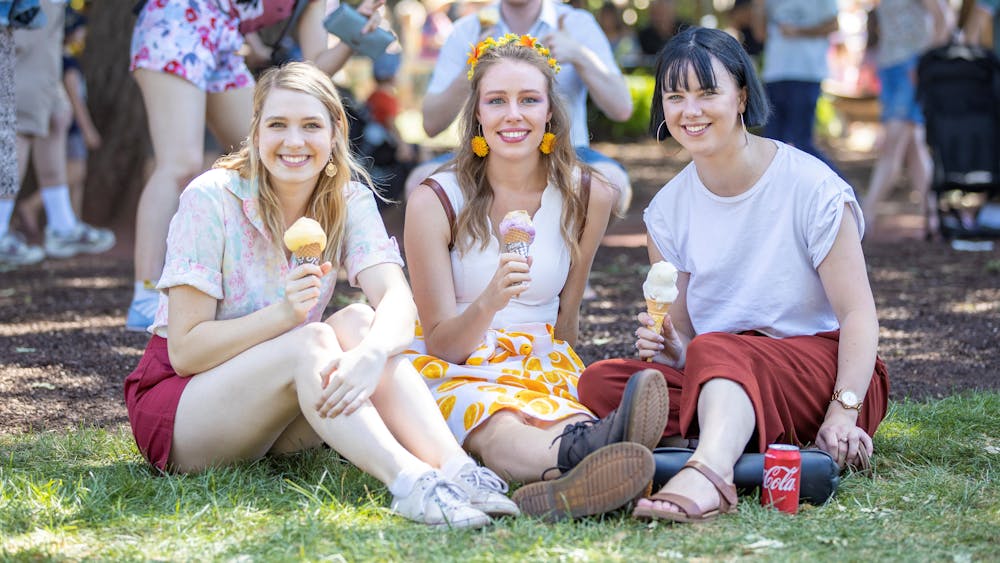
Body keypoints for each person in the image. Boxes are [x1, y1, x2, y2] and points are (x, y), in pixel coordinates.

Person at [123, 62, 517, 529]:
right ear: (255, 132)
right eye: (277, 125)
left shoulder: (346, 199)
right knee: (309, 340)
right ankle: (410, 483)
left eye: (311, 125)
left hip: (275, 410)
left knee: (360, 323)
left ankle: (457, 471)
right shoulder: (210, 200)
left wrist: (372, 353)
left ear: (334, 134)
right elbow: (186, 352)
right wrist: (284, 315)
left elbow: (396, 298)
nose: (294, 141)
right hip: (184, 413)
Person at [577, 27, 890, 523]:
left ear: (742, 95)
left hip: (822, 373)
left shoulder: (812, 188)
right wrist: (671, 348)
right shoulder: (667, 212)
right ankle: (754, 450)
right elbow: (689, 343)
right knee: (602, 383)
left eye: (707, 93)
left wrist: (843, 412)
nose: (690, 111)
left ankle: (709, 472)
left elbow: (858, 314)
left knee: (717, 350)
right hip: (722, 369)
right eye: (675, 96)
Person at [402, 34, 668, 522]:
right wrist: (489, 299)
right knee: (498, 419)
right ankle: (590, 461)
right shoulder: (435, 201)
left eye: (529, 100)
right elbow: (441, 345)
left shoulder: (589, 194)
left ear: (550, 112)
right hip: (458, 365)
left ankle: (580, 469)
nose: (513, 115)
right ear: (477, 113)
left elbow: (568, 317)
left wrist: (566, 377)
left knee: (566, 417)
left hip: (542, 356)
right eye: (496, 101)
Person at [126, 0, 387, 332]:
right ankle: (144, 295)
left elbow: (308, 77)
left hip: (224, 40)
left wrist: (354, 35)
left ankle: (263, 293)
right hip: (177, 18)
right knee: (181, 163)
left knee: (266, 151)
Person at [404, 0, 634, 217]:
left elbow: (622, 109)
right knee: (420, 184)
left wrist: (578, 55)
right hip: (485, 156)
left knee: (613, 185)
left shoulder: (576, 24)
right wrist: (473, 68)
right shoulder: (468, 29)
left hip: (568, 151)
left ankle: (575, 253)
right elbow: (431, 124)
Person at [1, 0, 115, 267]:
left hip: (47, 21)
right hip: (29, 13)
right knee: (20, 120)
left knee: (57, 116)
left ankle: (62, 226)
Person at [862, 0, 951, 239]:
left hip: (910, 69)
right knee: (914, 149)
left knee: (892, 144)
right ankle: (933, 217)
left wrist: (927, 63)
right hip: (889, 67)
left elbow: (944, 19)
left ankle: (864, 217)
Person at [16, 5, 101, 234]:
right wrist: (87, 129)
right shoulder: (69, 65)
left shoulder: (64, 59)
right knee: (74, 171)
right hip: (66, 124)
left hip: (60, 118)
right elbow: (76, 99)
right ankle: (25, 212)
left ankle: (67, 224)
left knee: (76, 178)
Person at [757, 0, 841, 175]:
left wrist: (799, 32)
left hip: (806, 73)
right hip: (776, 73)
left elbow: (834, 24)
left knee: (801, 141)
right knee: (771, 143)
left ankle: (841, 190)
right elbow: (760, 34)